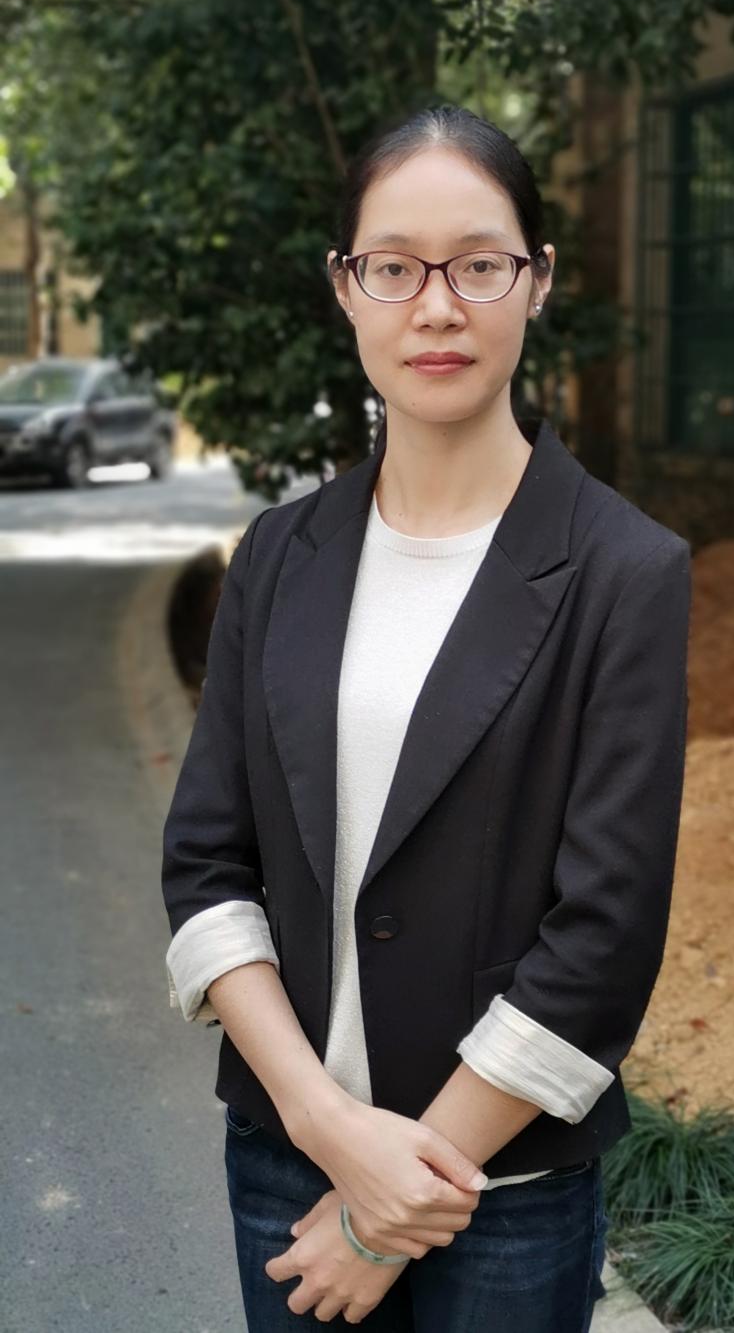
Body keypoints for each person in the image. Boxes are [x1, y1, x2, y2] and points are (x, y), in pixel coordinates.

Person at [161, 102, 692, 1331]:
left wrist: (386, 1212)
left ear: (537, 280)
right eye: (394, 267)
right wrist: (326, 1132)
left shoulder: (624, 571)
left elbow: (603, 937)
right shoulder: (279, 555)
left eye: (478, 265)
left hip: (502, 1194)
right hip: (286, 1163)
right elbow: (205, 865)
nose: (437, 307)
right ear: (346, 287)